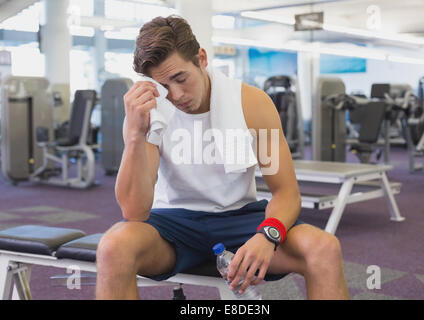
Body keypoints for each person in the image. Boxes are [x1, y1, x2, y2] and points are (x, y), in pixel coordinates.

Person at [95, 15, 349, 300]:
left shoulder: (252, 104)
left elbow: (287, 193)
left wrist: (268, 235)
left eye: (181, 78)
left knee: (324, 248)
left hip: (240, 218)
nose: (176, 95)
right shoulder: (151, 111)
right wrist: (134, 136)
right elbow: (134, 212)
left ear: (201, 59)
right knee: (113, 246)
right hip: (173, 225)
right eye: (164, 86)